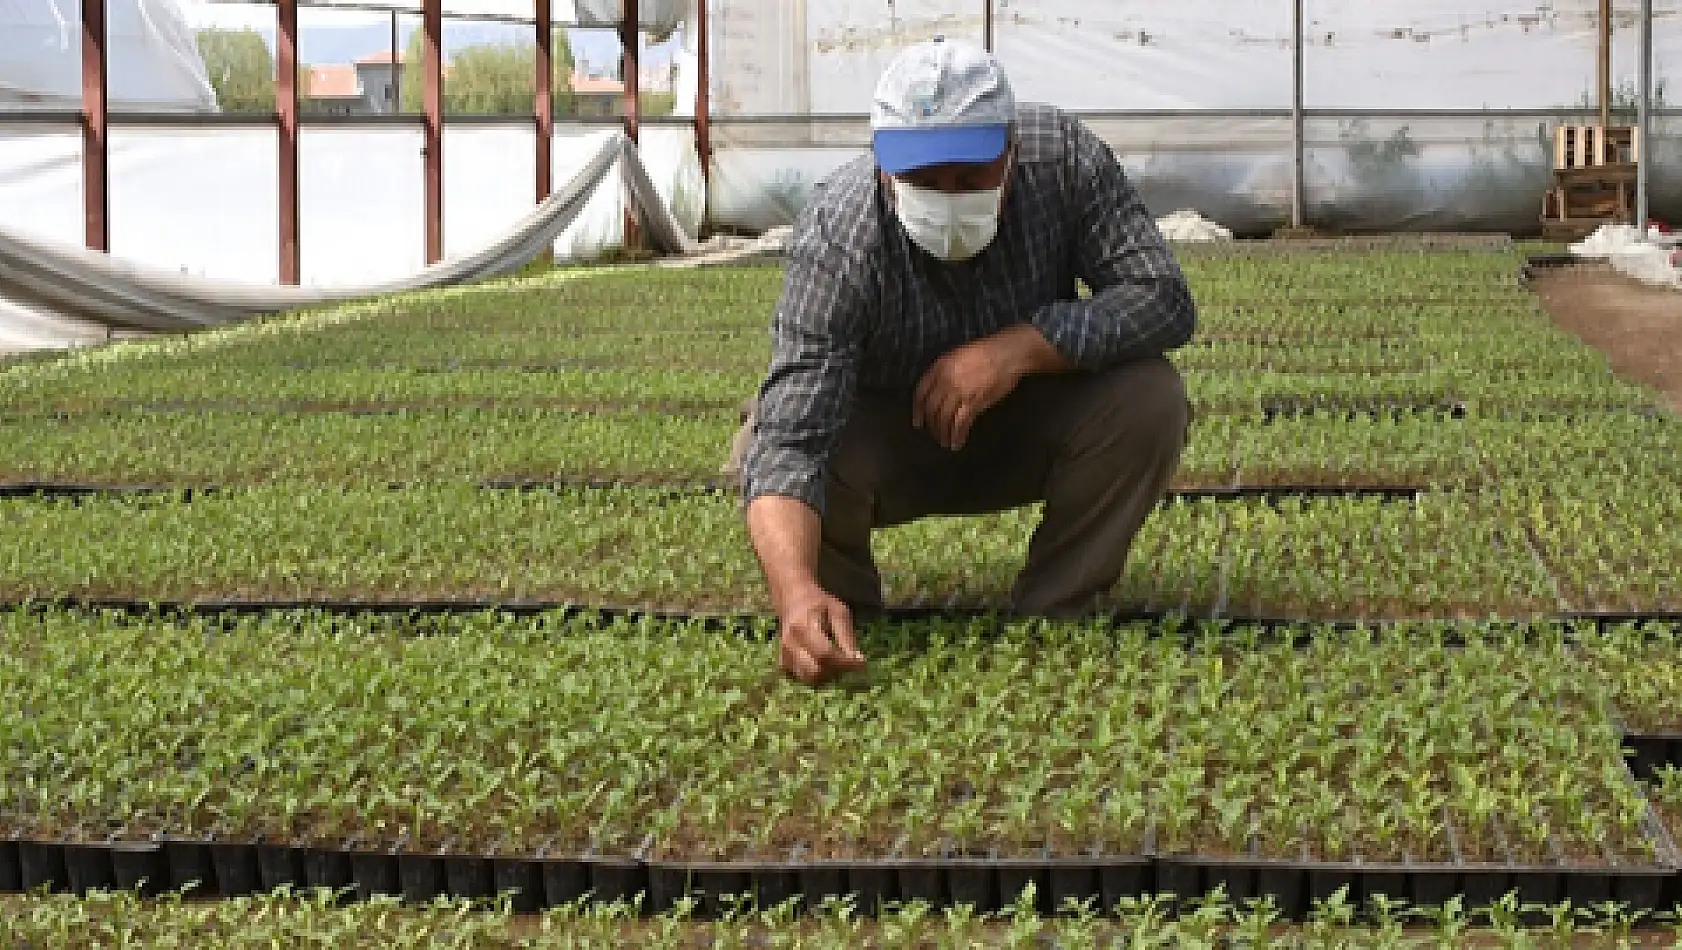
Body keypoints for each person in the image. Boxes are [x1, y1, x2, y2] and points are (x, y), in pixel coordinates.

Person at [730, 38, 1197, 686]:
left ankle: (1056, 609)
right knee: (766, 438)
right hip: (889, 443)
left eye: (970, 177)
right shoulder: (842, 232)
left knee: (1150, 399)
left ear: (1011, 150)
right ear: (882, 169)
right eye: (923, 180)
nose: (947, 198)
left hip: (1025, 424)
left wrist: (1020, 348)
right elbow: (790, 443)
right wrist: (792, 593)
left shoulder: (1062, 161)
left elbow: (1163, 299)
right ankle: (836, 619)